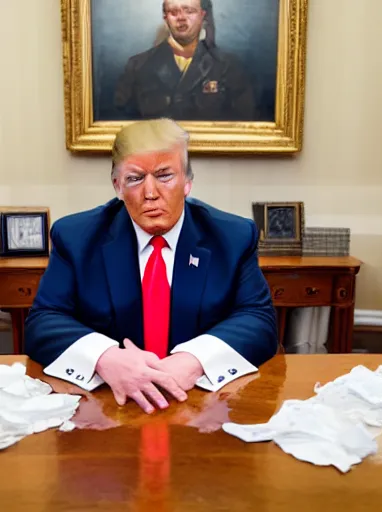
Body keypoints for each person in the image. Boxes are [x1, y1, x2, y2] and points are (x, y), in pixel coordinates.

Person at [25, 118, 278, 414]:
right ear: (117, 186)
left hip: (200, 407)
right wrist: (106, 358)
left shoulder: (232, 236)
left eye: (164, 175)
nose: (150, 193)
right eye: (135, 178)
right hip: (109, 407)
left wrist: (193, 360)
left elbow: (259, 321)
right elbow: (43, 321)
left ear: (187, 181)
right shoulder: (76, 237)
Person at [114, 0, 255, 121]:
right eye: (174, 12)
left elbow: (244, 121)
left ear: (202, 15)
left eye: (189, 11)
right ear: (165, 17)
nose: (181, 17)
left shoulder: (227, 65)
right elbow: (121, 122)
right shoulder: (138, 65)